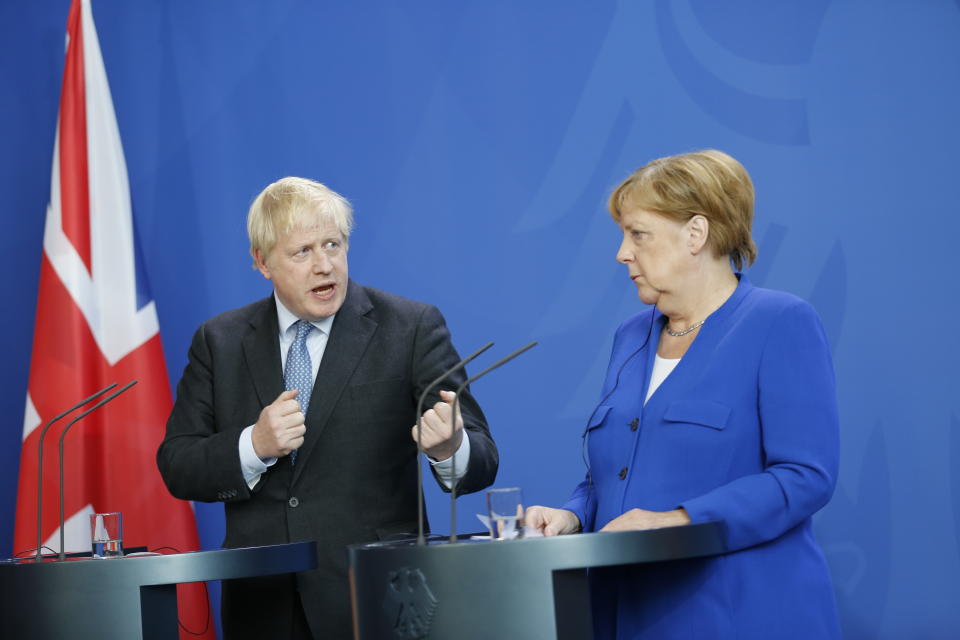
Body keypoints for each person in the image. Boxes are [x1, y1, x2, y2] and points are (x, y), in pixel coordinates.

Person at [157, 177, 498, 639]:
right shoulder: (219, 341)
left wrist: (449, 447)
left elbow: (481, 460)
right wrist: (252, 446)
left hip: (378, 600)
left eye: (333, 245)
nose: (324, 266)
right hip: (264, 604)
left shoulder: (409, 326)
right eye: (302, 252)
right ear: (262, 262)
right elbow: (178, 464)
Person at [526, 150, 840, 639]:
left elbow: (805, 476)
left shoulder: (780, 323)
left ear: (696, 233)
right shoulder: (630, 337)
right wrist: (571, 515)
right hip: (622, 616)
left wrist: (680, 520)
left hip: (738, 616)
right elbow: (614, 472)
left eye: (638, 234)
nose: (622, 253)